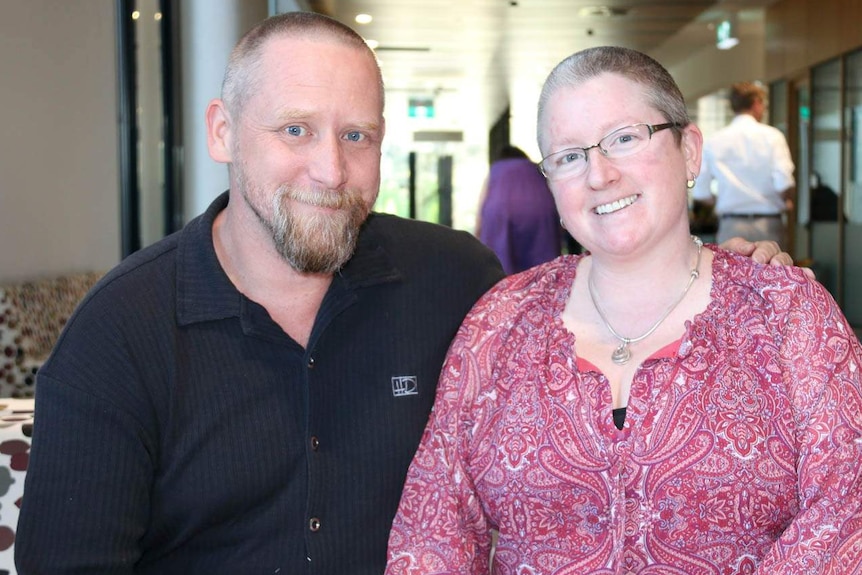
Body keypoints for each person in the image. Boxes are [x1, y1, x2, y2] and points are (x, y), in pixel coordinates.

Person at [13, 13, 797, 575]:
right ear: (221, 131)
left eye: (357, 136)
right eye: (295, 131)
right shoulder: (121, 334)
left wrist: (722, 278)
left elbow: (586, 313)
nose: (329, 168)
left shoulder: (451, 281)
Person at [386, 47, 862, 574]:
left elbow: (847, 508)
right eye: (568, 156)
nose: (599, 174)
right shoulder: (501, 321)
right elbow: (434, 527)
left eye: (625, 138)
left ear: (691, 152)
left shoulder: (785, 312)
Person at [692, 81, 796, 245]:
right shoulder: (773, 137)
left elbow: (701, 193)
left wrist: (726, 198)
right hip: (768, 225)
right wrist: (786, 200)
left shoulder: (715, 141)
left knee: (730, 270)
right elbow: (783, 183)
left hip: (731, 225)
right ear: (756, 103)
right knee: (770, 270)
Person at [476, 145, 563, 273]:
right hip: (540, 209)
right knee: (544, 264)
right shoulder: (533, 168)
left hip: (501, 211)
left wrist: (478, 234)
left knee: (500, 263)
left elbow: (482, 204)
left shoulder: (496, 169)